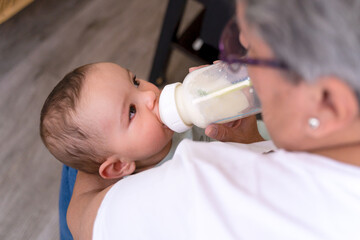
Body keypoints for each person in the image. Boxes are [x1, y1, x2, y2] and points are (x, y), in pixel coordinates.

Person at [61, 0, 360, 238]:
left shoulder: (199, 186)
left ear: (330, 103)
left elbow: (83, 220)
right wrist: (249, 141)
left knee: (76, 162)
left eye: (252, 52)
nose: (151, 95)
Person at [39, 62, 225, 239]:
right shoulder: (145, 193)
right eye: (131, 111)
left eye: (135, 82)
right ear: (120, 165)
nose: (150, 96)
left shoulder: (170, 119)